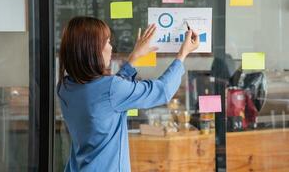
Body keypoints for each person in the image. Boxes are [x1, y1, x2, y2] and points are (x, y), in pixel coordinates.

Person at [57, 16, 199, 172]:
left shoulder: (65, 87)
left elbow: (108, 94)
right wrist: (182, 54)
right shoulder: (111, 89)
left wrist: (134, 58)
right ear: (92, 49)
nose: (111, 48)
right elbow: (163, 90)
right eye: (108, 42)